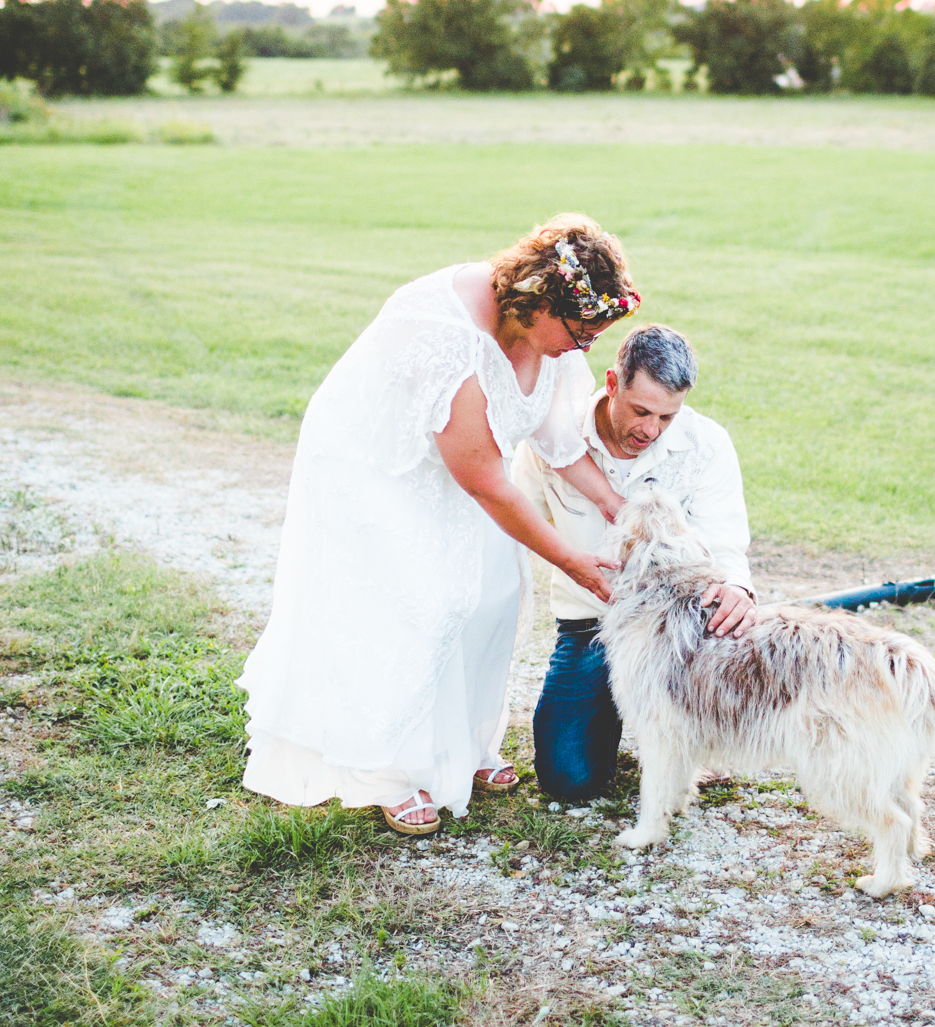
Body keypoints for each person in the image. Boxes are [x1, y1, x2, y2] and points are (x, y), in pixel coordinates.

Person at [238, 215, 640, 835]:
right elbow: (485, 480)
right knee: (428, 599)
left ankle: (464, 745)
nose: (586, 347)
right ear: (538, 302)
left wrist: (617, 506)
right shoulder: (447, 333)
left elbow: (558, 439)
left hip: (462, 461)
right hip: (377, 462)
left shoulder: (554, 338)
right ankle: (388, 768)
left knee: (496, 591)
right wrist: (572, 561)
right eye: (580, 332)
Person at [513, 322, 754, 803]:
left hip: (680, 630)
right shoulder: (553, 438)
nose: (650, 429)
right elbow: (518, 519)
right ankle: (625, 717)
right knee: (568, 781)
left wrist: (738, 588)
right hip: (591, 625)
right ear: (611, 382)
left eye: (666, 417)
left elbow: (726, 543)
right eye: (641, 410)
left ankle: (679, 730)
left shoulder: (707, 444)